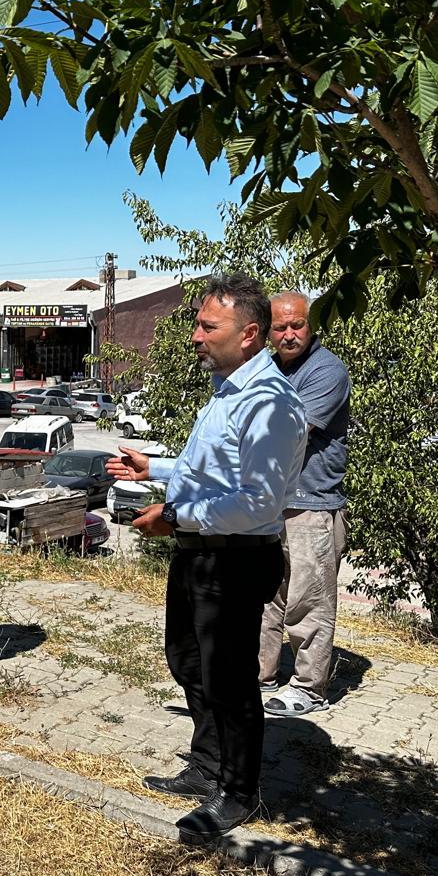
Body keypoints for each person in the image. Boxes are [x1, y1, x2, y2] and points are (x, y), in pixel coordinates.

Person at [110, 273, 307, 841]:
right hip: (200, 553)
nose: (195, 336)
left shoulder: (270, 403)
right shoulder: (230, 390)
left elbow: (257, 502)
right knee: (188, 662)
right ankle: (207, 766)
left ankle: (239, 792)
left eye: (207, 326)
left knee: (230, 680)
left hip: (235, 560)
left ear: (249, 334)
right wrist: (156, 468)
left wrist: (174, 516)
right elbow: (215, 467)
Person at [258, 290, 351, 718]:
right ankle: (261, 674)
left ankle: (310, 688)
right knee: (266, 595)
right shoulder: (267, 367)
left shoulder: (326, 370)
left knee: (308, 599)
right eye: (281, 327)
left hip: (311, 502)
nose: (289, 334)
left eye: (298, 325)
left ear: (311, 327)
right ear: (267, 332)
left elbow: (290, 430)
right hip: (270, 501)